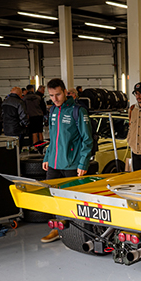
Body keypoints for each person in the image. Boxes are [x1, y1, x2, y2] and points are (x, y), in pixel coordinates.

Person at [41, 78, 94, 243]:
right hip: (54, 164)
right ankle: (57, 229)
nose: (54, 99)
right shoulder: (53, 111)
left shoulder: (78, 111)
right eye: (51, 95)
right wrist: (47, 157)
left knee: (72, 200)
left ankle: (77, 232)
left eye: (57, 94)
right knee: (53, 197)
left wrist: (83, 163)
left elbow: (87, 139)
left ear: (65, 92)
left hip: (72, 164)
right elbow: (52, 138)